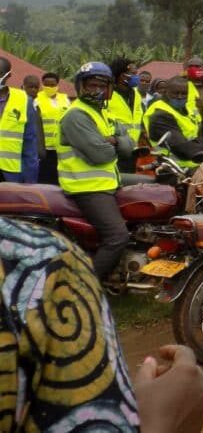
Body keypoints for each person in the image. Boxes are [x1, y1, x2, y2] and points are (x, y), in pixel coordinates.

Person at [0, 217, 203, 432]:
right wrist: (157, 425)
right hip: (89, 190)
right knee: (118, 236)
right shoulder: (46, 261)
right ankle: (98, 281)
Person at [57, 62, 135, 280]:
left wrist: (112, 141)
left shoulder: (103, 113)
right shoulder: (77, 115)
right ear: (80, 87)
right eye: (91, 86)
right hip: (87, 187)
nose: (97, 91)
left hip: (106, 182)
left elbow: (130, 145)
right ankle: (82, 286)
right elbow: (100, 155)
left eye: (102, 86)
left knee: (152, 186)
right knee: (117, 237)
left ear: (110, 88)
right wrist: (117, 143)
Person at [144, 76, 203, 164]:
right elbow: (183, 148)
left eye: (184, 94)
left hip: (196, 166)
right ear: (165, 92)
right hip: (172, 169)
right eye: (176, 93)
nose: (180, 97)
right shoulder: (160, 114)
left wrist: (202, 113)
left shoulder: (188, 109)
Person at [0, 57, 40, 183]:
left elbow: (30, 143)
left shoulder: (23, 100)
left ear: (8, 76)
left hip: (10, 174)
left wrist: (29, 180)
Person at [106, 58, 144, 173]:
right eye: (133, 74)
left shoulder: (136, 93)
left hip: (132, 148)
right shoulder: (108, 95)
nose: (137, 77)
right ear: (123, 76)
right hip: (115, 148)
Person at [36, 72, 70, 185]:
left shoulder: (65, 99)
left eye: (52, 85)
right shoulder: (37, 99)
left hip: (62, 146)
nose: (49, 87)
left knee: (61, 177)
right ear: (43, 85)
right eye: (46, 85)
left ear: (57, 85)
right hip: (45, 148)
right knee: (46, 178)